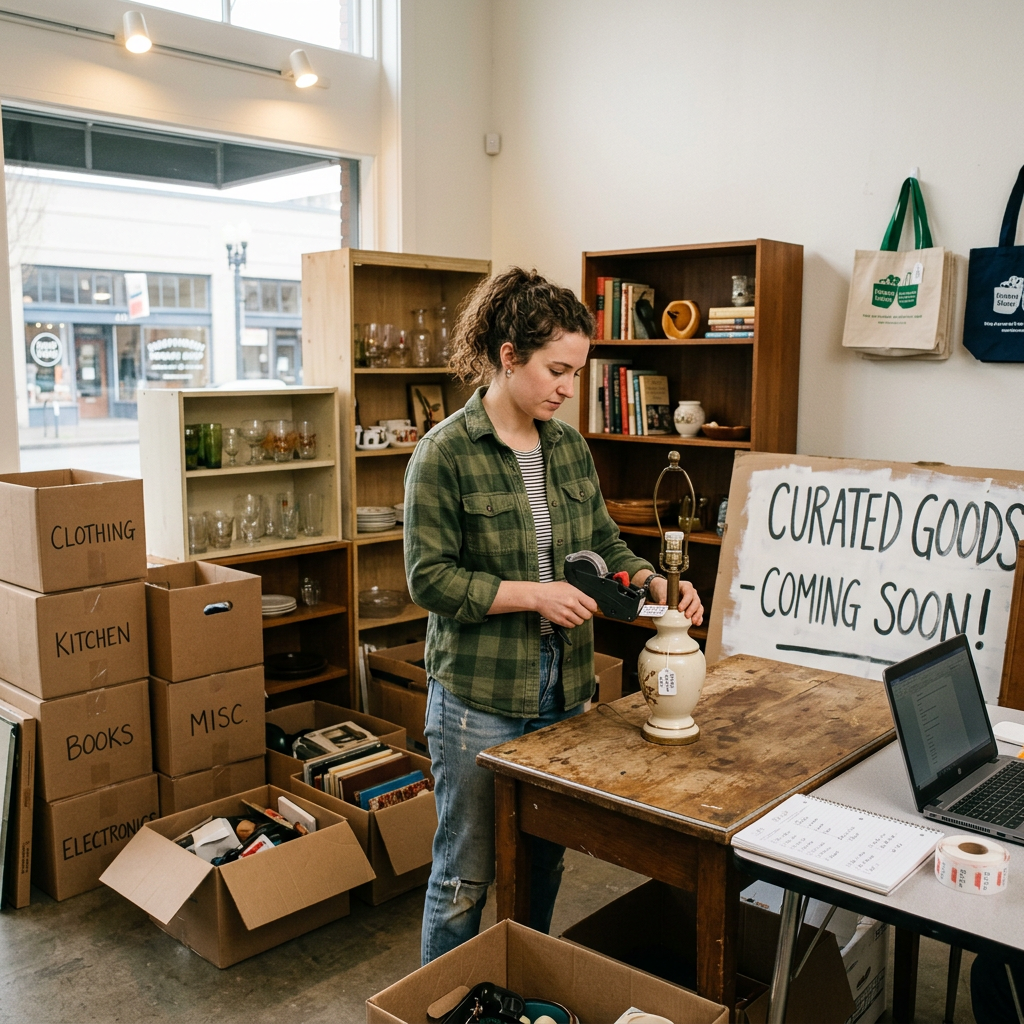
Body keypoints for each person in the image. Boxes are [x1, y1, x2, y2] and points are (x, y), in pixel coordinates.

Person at [404, 267, 704, 965]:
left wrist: (652, 580)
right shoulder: (445, 453)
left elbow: (599, 544)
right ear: (509, 357)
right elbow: (430, 579)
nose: (569, 388)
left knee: (541, 864)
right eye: (557, 370)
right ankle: (440, 1006)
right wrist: (533, 593)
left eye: (577, 371)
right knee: (463, 877)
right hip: (480, 698)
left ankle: (517, 996)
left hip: (565, 693)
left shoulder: (567, 446)